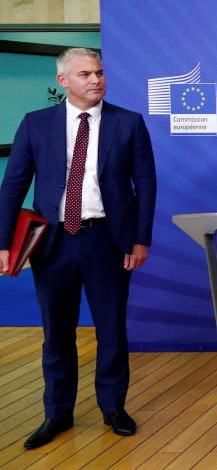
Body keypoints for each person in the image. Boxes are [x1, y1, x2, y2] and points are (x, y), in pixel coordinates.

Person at [0, 48, 157, 449]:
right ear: (64, 80)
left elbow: (146, 185)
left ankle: (113, 407)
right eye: (85, 74)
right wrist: (3, 243)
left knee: (111, 331)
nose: (96, 80)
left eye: (100, 73)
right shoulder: (36, 124)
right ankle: (57, 413)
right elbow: (13, 186)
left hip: (108, 241)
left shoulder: (129, 123)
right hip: (52, 243)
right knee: (56, 333)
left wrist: (140, 239)